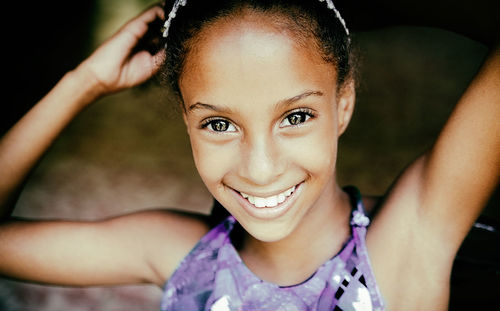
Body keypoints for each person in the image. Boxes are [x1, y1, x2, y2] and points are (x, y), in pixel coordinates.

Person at [0, 0, 498, 310]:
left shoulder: (410, 239)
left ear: (343, 104)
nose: (260, 168)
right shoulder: (179, 256)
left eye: (296, 117)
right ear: (187, 125)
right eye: (219, 124)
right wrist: (81, 84)